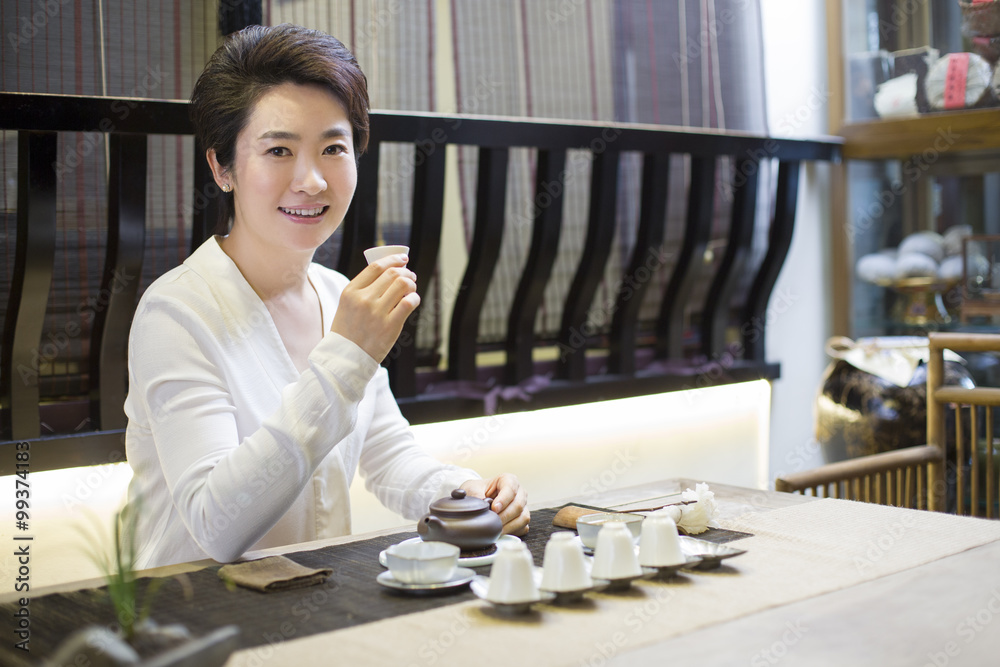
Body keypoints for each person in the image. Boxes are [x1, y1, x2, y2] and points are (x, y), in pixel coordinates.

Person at [122, 23, 528, 569]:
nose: (312, 180)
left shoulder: (338, 294)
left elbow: (388, 459)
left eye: (333, 147)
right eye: (279, 150)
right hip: (193, 627)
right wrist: (347, 356)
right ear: (222, 167)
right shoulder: (175, 314)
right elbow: (216, 526)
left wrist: (468, 492)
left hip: (313, 610)